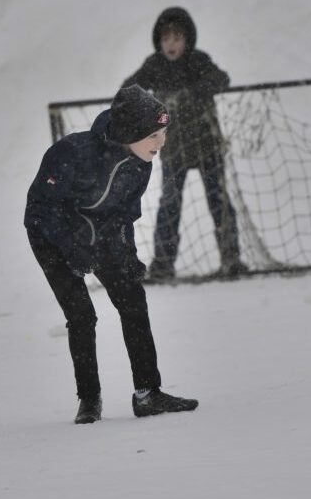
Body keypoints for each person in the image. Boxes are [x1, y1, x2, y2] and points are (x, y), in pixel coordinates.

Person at [25, 84, 199, 424]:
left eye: (163, 133)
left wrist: (128, 256)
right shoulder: (71, 152)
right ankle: (89, 399)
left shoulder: (141, 163)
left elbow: (123, 214)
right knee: (82, 315)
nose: (160, 142)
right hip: (49, 234)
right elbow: (43, 211)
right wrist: (72, 250)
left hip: (99, 231)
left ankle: (148, 393)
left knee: (133, 299)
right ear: (129, 132)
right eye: (153, 135)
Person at [122, 6, 247, 281]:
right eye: (166, 39)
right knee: (170, 205)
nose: (171, 44)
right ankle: (163, 266)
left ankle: (231, 259)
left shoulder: (198, 60)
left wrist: (193, 93)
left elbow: (221, 79)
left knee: (219, 202)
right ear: (159, 41)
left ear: (187, 39)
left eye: (177, 38)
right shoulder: (155, 65)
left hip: (206, 145)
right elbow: (129, 87)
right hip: (173, 148)